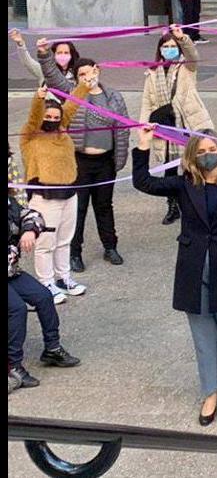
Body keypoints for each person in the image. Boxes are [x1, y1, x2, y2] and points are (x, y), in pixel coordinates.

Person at [133, 125, 217, 426]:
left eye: (212, 150)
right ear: (192, 155)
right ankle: (209, 393)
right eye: (201, 151)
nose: (207, 155)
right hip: (195, 270)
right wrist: (143, 145)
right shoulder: (184, 184)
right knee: (203, 339)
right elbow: (143, 182)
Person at [36, 55, 129, 272]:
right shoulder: (74, 94)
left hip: (106, 161)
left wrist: (119, 159)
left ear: (98, 70)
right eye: (82, 75)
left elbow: (123, 128)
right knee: (79, 208)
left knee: (104, 205)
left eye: (91, 72)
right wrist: (44, 55)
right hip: (80, 162)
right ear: (76, 78)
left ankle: (110, 246)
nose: (88, 78)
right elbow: (52, 76)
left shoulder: (113, 96)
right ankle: (74, 252)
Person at [9, 148, 81, 392]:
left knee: (43, 296)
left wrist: (30, 229)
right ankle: (12, 366)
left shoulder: (9, 199)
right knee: (17, 309)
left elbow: (31, 215)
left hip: (10, 271)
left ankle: (52, 349)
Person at [19, 83, 89, 302]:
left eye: (55, 116)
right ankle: (45, 282)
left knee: (65, 240)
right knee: (45, 243)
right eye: (47, 116)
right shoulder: (31, 135)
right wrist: (39, 99)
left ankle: (63, 277)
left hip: (69, 193)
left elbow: (70, 108)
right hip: (45, 197)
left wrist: (84, 88)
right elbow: (34, 117)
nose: (52, 119)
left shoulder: (63, 130)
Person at [140, 25, 213, 226]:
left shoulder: (186, 67)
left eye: (173, 46)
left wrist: (183, 39)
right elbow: (147, 100)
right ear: (160, 49)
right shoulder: (152, 72)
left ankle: (197, 204)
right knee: (169, 167)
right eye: (166, 46)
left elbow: (192, 55)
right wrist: (143, 123)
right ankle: (173, 206)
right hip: (163, 123)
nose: (169, 49)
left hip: (186, 121)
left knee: (192, 164)